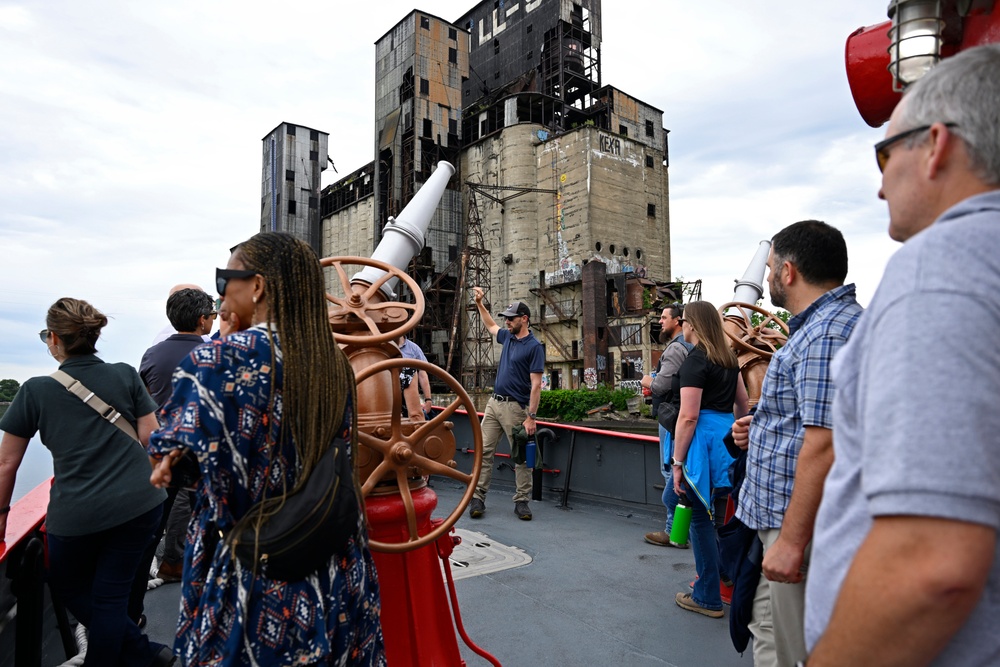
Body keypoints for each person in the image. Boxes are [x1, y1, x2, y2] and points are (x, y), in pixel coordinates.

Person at [805, 44, 1000, 666]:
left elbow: (931, 565)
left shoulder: (941, 269)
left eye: (886, 153)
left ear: (937, 145)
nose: (880, 181)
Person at [148, 232, 386, 666]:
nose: (222, 294)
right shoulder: (332, 363)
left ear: (256, 286)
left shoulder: (217, 359)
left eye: (226, 281)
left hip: (255, 571)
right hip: (332, 564)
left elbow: (173, 465)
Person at [0, 298, 174, 667]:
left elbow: (6, 464)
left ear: (54, 340)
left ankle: (140, 657)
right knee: (110, 596)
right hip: (141, 503)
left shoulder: (35, 391)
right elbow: (152, 439)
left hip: (77, 514)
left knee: (70, 587)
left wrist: (2, 516)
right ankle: (146, 654)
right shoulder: (125, 374)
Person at [729, 220, 862, 666]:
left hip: (791, 523)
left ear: (788, 272)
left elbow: (825, 445)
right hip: (778, 518)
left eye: (769, 270)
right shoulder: (818, 330)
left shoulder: (825, 336)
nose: (766, 279)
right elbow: (805, 420)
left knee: (794, 648)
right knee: (767, 630)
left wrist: (790, 540)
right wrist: (757, 426)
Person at [670, 301, 749, 619]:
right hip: (727, 442)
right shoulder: (729, 360)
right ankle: (723, 571)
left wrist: (676, 462)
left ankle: (707, 597)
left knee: (696, 517)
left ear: (693, 325)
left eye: (686, 322)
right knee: (716, 514)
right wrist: (741, 444)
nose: (684, 327)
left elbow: (688, 417)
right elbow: (743, 406)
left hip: (702, 443)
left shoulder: (695, 361)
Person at [135, 288, 216, 595]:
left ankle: (137, 602)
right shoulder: (216, 352)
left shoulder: (152, 354)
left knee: (154, 528)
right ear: (201, 320)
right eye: (211, 315)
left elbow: (142, 403)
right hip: (205, 454)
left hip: (164, 451)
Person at [468, 287, 544, 521]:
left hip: (515, 409)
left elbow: (536, 385)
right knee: (484, 451)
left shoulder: (534, 347)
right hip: (494, 404)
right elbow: (491, 326)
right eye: (506, 319)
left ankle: (522, 501)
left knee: (520, 457)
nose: (507, 322)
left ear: (524, 319)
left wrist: (531, 417)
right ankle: (478, 497)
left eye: (511, 318)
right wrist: (480, 304)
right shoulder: (508, 337)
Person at [640, 303, 692, 547]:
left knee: (671, 472)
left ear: (678, 321)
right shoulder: (693, 347)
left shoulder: (674, 349)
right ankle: (682, 531)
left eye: (663, 317)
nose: (660, 321)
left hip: (672, 419)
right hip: (686, 417)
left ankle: (674, 532)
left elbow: (661, 386)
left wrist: (647, 379)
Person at [396, 334, 433, 420]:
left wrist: (428, 399)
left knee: (410, 371)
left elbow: (422, 374)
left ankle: (415, 417)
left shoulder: (414, 348)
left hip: (406, 392)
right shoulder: (382, 348)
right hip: (388, 389)